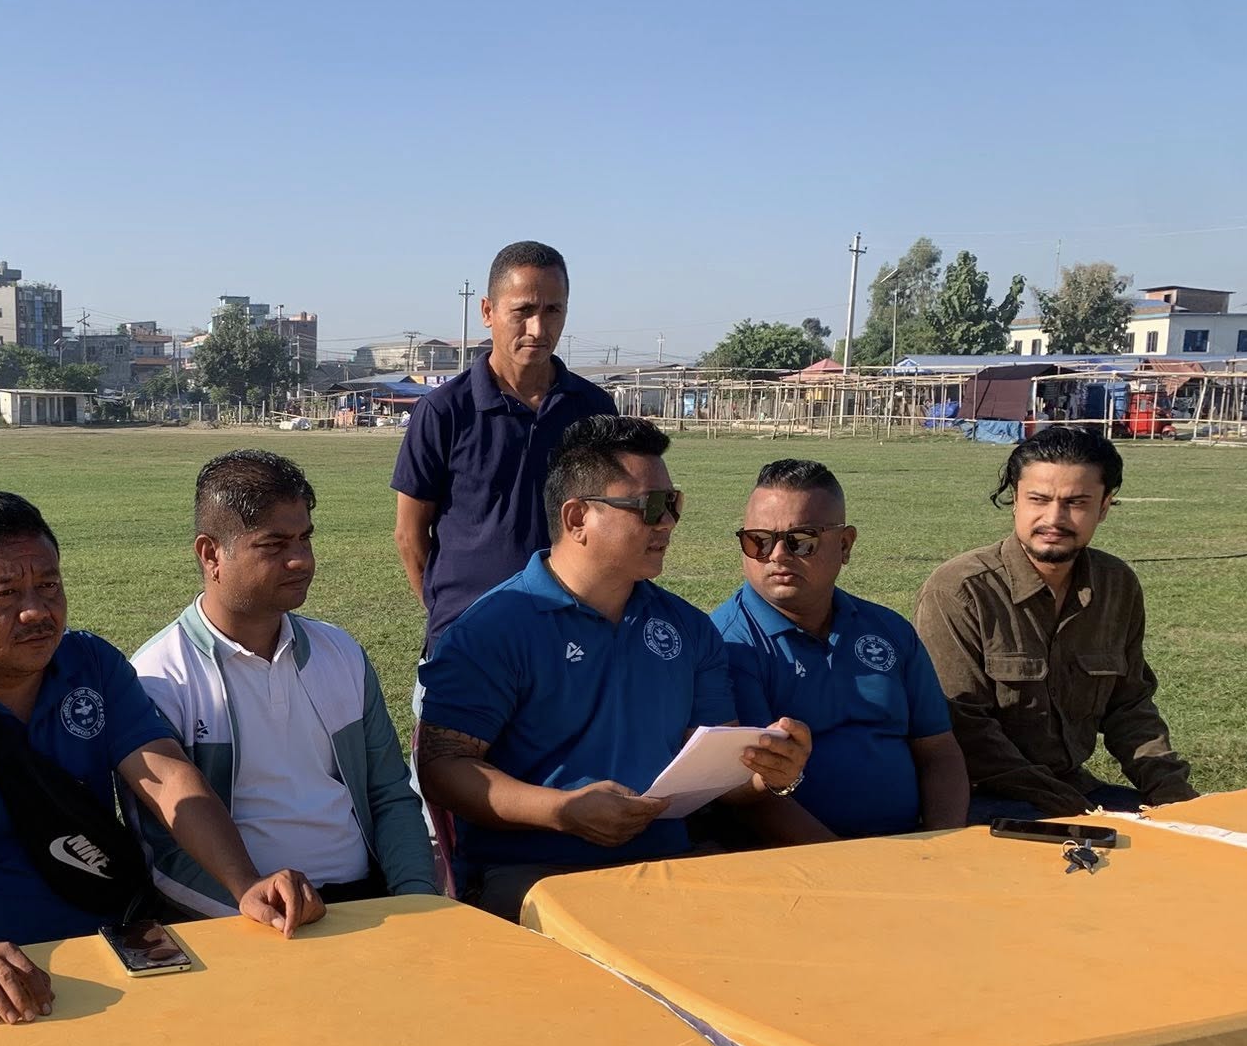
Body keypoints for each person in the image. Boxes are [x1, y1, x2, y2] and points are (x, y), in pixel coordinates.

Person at [0, 488, 325, 1025]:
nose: (36, 611)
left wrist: (244, 883)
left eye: (49, 585)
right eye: (4, 594)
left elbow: (165, 774)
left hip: (105, 944)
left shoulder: (91, 665)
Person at [416, 416, 813, 921]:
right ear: (577, 518)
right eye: (650, 506)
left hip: (668, 864)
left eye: (674, 503)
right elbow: (443, 767)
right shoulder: (493, 629)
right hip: (533, 872)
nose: (667, 522)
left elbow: (714, 769)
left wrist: (769, 774)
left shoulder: (688, 628)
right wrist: (562, 812)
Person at [131, 451, 433, 915]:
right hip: (244, 919)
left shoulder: (341, 653)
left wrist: (418, 900)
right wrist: (263, 915)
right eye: (273, 545)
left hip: (367, 901)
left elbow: (390, 794)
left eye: (304, 539)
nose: (300, 561)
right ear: (211, 554)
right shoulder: (158, 677)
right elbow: (165, 853)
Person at [915, 425, 1197, 820]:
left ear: (1104, 506)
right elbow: (963, 727)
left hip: (1073, 788)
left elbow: (1129, 706)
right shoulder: (961, 590)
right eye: (1039, 499)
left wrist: (1175, 797)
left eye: (1076, 502)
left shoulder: (1116, 584)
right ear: (1015, 500)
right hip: (977, 795)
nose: (1054, 518)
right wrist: (1076, 810)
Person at [712, 459, 969, 839]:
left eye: (801, 540)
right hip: (796, 859)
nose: (777, 554)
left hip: (914, 846)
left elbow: (938, 751)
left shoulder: (889, 631)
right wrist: (847, 862)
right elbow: (750, 794)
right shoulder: (728, 644)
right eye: (758, 541)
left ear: (845, 545)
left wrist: (942, 845)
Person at [390, 240, 617, 657]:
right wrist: (447, 613)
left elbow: (610, 522)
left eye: (553, 310)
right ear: (487, 312)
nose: (538, 329)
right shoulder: (443, 411)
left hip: (569, 633)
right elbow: (409, 534)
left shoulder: (594, 409)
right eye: (523, 310)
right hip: (467, 639)